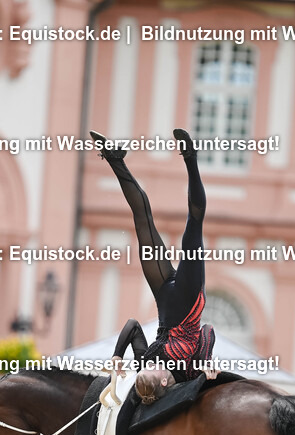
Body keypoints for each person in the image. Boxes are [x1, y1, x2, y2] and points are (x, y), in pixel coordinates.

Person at [92, 128, 216, 390]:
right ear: (163, 379)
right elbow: (208, 331)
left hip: (164, 296)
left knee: (142, 222)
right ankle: (190, 158)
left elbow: (133, 326)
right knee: (194, 223)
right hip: (189, 298)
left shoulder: (144, 363)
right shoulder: (187, 372)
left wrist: (117, 354)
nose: (148, 366)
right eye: (151, 370)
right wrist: (206, 363)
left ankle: (115, 159)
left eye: (144, 368)